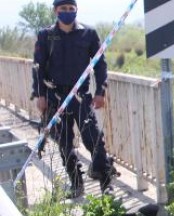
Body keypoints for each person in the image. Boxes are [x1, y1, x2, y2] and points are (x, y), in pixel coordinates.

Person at [32, 0, 114, 197]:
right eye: (63, 9)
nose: (67, 12)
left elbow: (100, 64)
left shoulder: (88, 34)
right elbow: (38, 67)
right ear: (55, 11)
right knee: (64, 142)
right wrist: (40, 95)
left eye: (71, 9)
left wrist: (100, 92)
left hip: (80, 97)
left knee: (93, 139)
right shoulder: (46, 36)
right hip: (55, 97)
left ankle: (106, 183)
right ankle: (76, 183)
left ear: (76, 10)